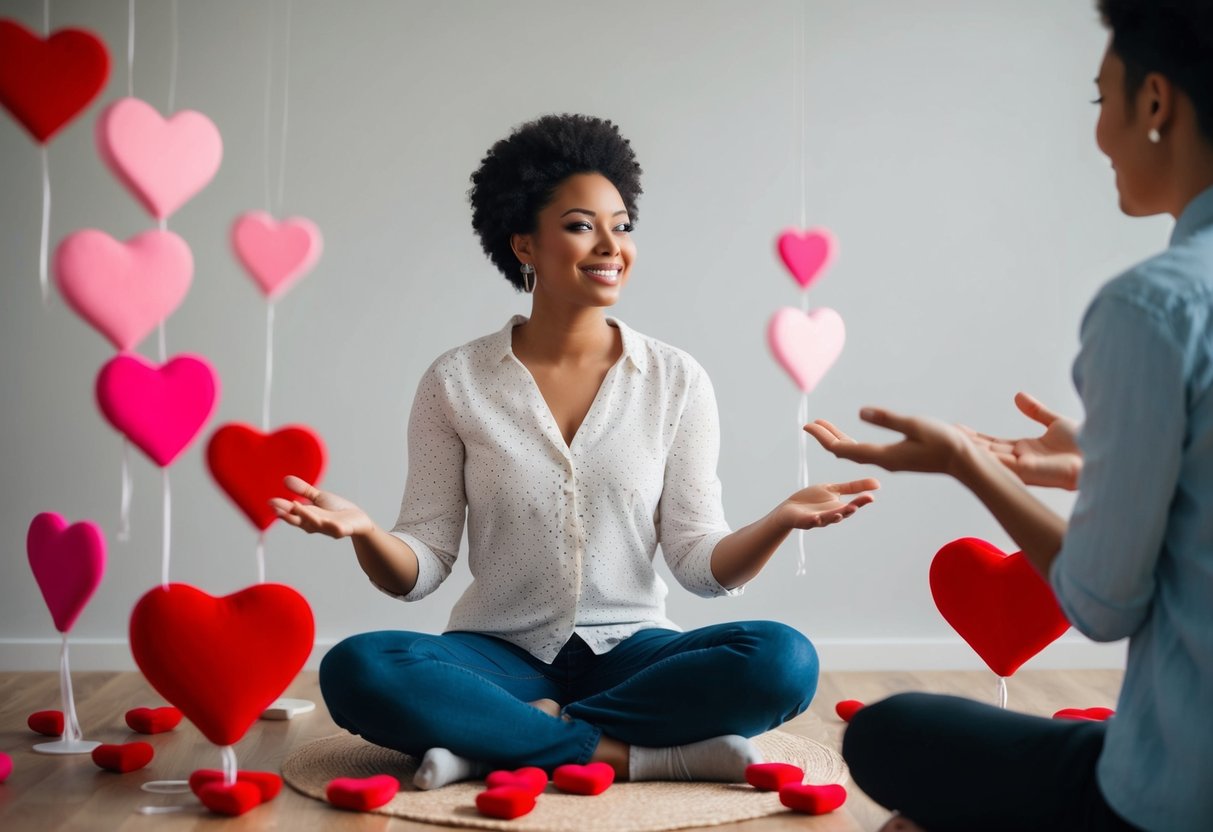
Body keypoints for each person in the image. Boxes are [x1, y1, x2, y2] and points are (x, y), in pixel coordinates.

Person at [272, 113, 879, 789]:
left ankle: (495, 741)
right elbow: (419, 568)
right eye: (580, 224)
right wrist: (363, 532)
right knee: (358, 668)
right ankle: (636, 754)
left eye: (620, 225)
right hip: (494, 652)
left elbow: (698, 564)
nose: (610, 245)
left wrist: (779, 520)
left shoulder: (676, 380)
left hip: (634, 651)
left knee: (781, 660)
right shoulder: (455, 381)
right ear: (523, 244)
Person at [806, 1, 1213, 830]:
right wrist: (1095, 461)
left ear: (1156, 103)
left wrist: (968, 461)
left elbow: (1100, 607)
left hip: (1170, 792)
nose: (1098, 135)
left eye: (1101, 100)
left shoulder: (1153, 307)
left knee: (889, 735)